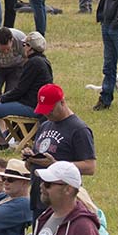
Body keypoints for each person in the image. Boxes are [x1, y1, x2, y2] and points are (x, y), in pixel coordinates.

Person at [22, 85, 96, 218]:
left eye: (50, 110)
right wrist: (30, 159)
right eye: (43, 110)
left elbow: (90, 167)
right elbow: (32, 166)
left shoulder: (79, 130)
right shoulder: (45, 125)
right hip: (39, 197)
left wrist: (55, 164)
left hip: (61, 199)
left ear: (62, 102)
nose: (47, 114)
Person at [0, 32, 52, 148]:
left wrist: (1, 99)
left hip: (30, 106)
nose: (23, 47)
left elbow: (20, 90)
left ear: (30, 47)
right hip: (38, 106)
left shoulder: (33, 63)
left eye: (24, 45)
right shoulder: (44, 62)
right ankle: (0, 138)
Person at [29, 161, 100, 235]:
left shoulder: (83, 227)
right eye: (42, 181)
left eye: (47, 184)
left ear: (68, 189)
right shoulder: (45, 216)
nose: (41, 186)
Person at [0, 26, 26, 97]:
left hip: (17, 66)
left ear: (12, 40)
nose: (6, 52)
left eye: (8, 49)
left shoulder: (21, 39)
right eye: (3, 49)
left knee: (12, 94)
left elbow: (27, 59)